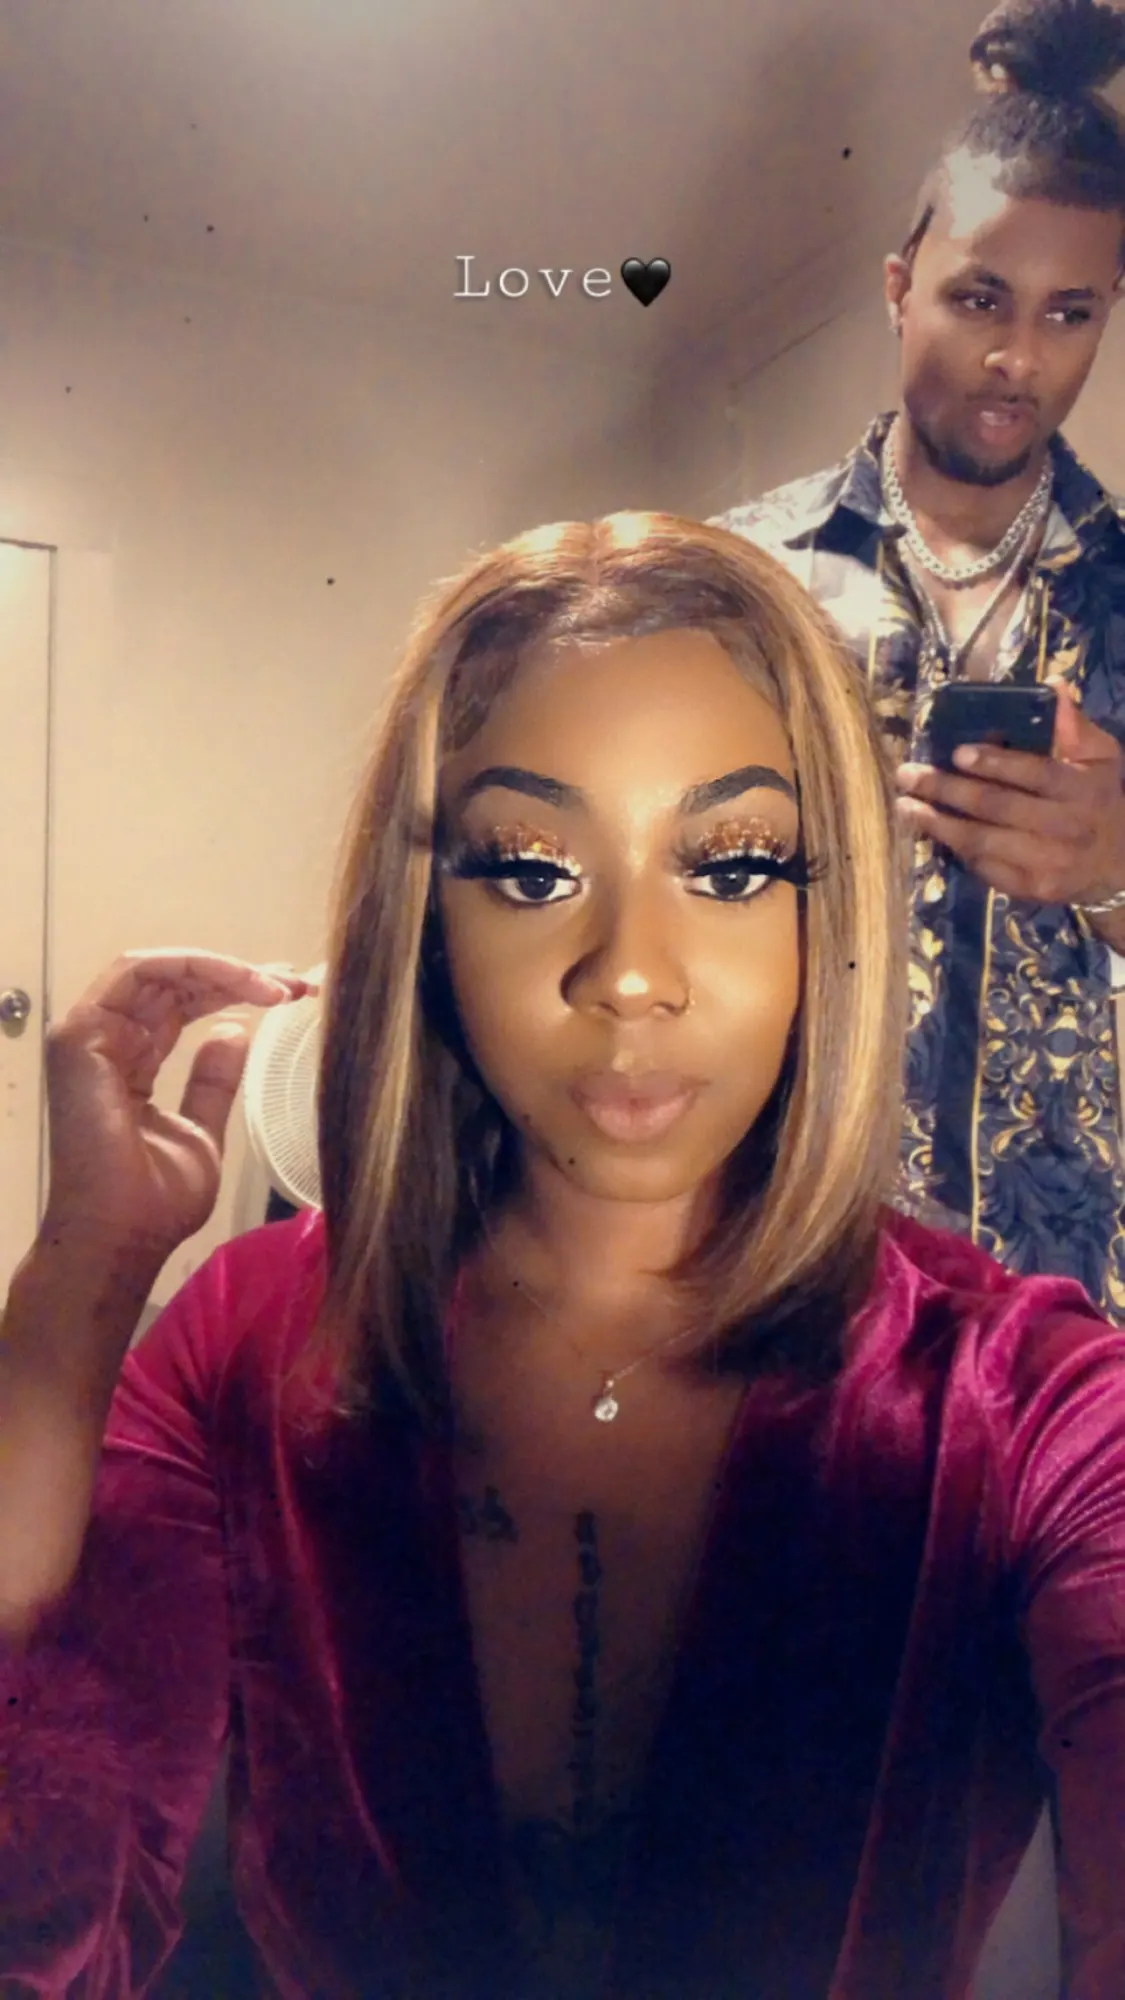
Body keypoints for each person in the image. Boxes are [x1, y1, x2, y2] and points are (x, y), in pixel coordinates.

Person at [2, 511, 1124, 2000]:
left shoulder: (1021, 1401)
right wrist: (83, 1275)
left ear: (828, 915)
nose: (631, 975)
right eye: (531, 870)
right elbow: (46, 1909)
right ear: (428, 919)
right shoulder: (247, 1339)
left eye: (732, 865)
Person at [716, 0, 1125, 1319]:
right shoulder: (738, 581)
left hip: (1065, 1320)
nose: (1018, 359)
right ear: (900, 287)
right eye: (979, 298)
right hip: (778, 1280)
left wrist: (1118, 874)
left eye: (1071, 313)